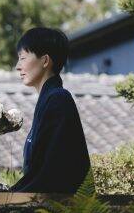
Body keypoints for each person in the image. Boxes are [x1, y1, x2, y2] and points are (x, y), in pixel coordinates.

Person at [10, 27, 91, 194]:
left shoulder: (58, 100)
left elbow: (53, 172)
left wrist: (10, 197)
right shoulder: (49, 100)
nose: (18, 66)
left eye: (23, 58)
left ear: (45, 61)